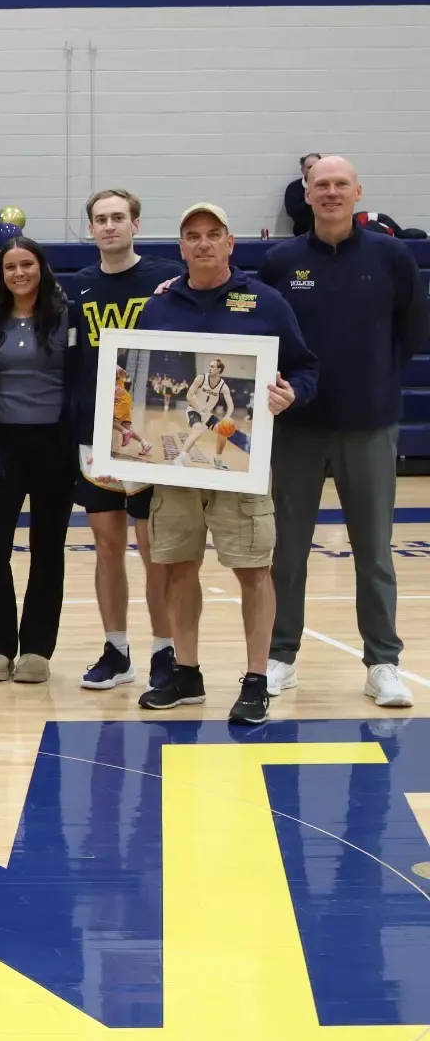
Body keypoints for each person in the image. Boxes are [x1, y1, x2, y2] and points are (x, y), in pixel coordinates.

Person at [136, 202, 318, 724]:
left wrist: (291, 395)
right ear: (181, 247)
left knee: (253, 571)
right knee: (175, 565)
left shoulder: (266, 301)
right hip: (174, 475)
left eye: (213, 234)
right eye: (192, 235)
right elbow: (140, 373)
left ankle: (257, 679)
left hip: (246, 465)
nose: (203, 243)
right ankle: (187, 674)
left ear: (230, 242)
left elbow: (305, 368)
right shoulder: (160, 306)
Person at [260, 154, 430, 709]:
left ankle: (383, 662)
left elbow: (412, 331)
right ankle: (280, 655)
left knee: (375, 553)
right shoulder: (282, 260)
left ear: (358, 191)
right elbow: (257, 325)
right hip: (297, 429)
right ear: (305, 195)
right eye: (320, 185)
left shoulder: (390, 255)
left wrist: (373, 381)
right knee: (287, 551)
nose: (330, 192)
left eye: (340, 184)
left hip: (369, 427)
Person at [66, 189, 182, 692]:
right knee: (107, 545)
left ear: (136, 223)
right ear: (90, 229)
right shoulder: (81, 287)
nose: (109, 225)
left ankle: (165, 650)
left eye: (118, 217)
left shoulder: (165, 281)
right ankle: (117, 650)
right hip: (96, 434)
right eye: (100, 219)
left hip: (152, 434)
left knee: (154, 546)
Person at [0, 237, 75, 684]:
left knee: (47, 549)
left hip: (54, 445)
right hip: (1, 445)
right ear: (1, 275)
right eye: (10, 267)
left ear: (41, 268)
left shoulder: (67, 318)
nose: (19, 273)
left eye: (26, 264)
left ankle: (36, 649)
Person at [284, 153, 321, 239]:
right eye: (309, 167)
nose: (313, 170)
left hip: (329, 236)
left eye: (316, 166)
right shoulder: (293, 188)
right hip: (302, 236)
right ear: (303, 170)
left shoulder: (329, 186)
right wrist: (308, 202)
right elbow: (293, 212)